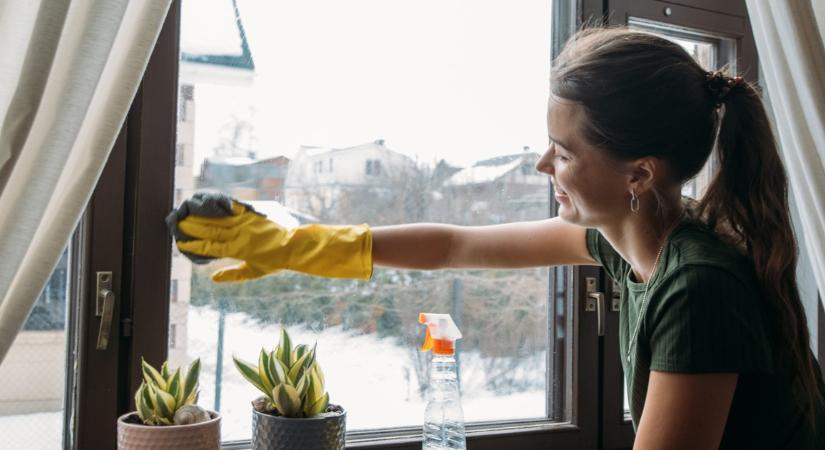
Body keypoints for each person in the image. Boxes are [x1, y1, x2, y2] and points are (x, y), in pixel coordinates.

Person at [172, 27, 825, 449]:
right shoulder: (626, 240)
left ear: (638, 173)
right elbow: (456, 245)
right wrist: (305, 245)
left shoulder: (697, 286)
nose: (543, 167)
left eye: (562, 152)